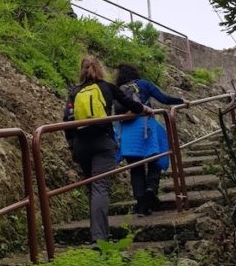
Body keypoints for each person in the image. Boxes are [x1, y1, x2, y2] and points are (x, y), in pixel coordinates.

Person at [64, 56, 150, 243]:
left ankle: (97, 233)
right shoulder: (108, 88)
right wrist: (145, 109)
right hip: (103, 142)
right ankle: (100, 238)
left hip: (81, 144)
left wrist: (72, 146)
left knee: (92, 188)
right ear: (100, 69)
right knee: (100, 188)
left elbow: (67, 121)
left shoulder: (74, 92)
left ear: (82, 70)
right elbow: (134, 107)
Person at [114, 63, 184, 216]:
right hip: (146, 128)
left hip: (128, 133)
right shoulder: (144, 84)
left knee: (136, 168)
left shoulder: (119, 90)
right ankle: (151, 189)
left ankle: (141, 206)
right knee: (156, 159)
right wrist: (182, 101)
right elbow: (164, 99)